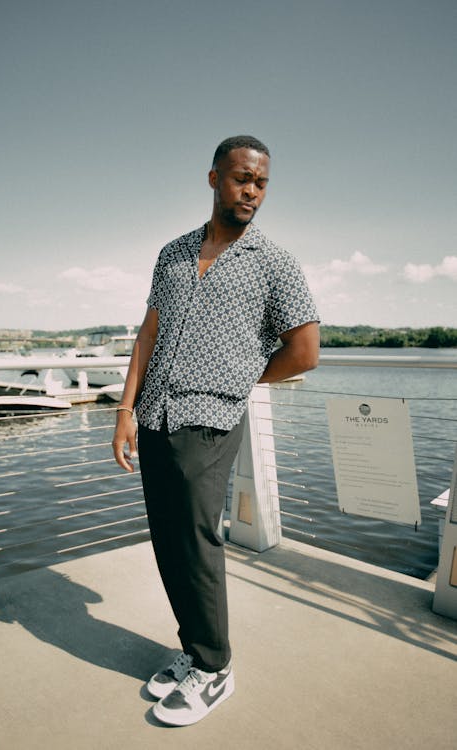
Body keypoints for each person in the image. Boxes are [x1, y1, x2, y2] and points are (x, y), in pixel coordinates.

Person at [112, 135, 320, 726]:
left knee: (197, 542)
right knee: (168, 539)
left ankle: (215, 667)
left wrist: (239, 380)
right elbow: (147, 336)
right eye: (240, 179)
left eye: (261, 183)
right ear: (214, 180)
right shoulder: (173, 253)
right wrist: (124, 412)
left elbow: (304, 351)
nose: (251, 191)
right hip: (153, 415)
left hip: (209, 420)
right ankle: (192, 649)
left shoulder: (274, 262)